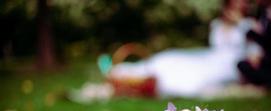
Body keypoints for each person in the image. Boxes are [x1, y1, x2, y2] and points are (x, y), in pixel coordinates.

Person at [104, 0, 261, 97]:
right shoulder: (217, 24)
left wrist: (241, 24)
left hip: (231, 64)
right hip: (212, 57)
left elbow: (256, 54)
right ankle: (125, 72)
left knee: (191, 76)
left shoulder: (250, 26)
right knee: (170, 58)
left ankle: (142, 80)